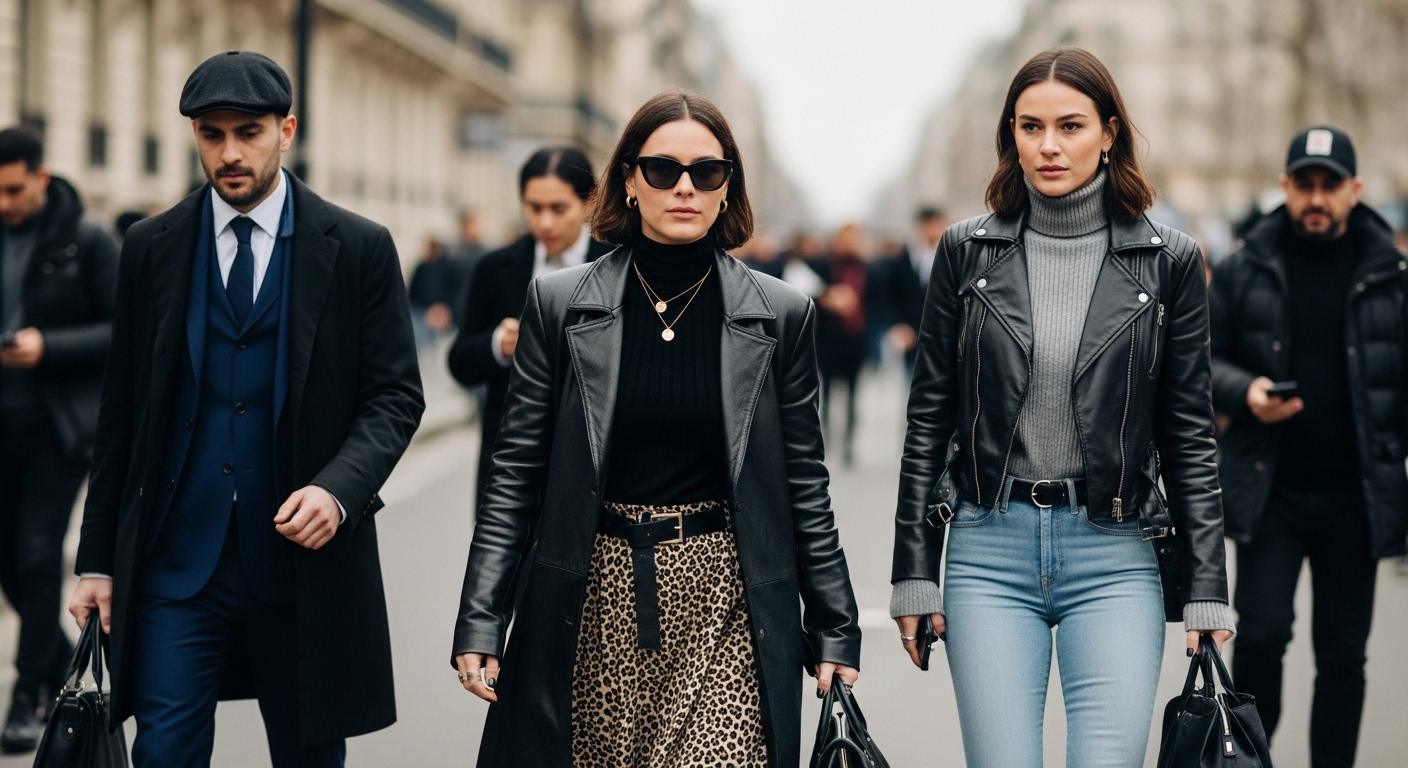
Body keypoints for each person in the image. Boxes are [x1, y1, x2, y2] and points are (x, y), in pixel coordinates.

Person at [451, 91, 861, 768]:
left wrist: (835, 624)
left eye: (707, 171)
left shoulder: (780, 314)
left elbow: (804, 483)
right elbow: (515, 472)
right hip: (592, 595)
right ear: (629, 182)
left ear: (728, 187)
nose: (685, 187)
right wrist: (481, 617)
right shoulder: (559, 304)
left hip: (727, 599)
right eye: (663, 169)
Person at [66, 51, 424, 766]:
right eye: (212, 134)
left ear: (286, 130)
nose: (230, 153)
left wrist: (338, 489)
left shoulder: (358, 247)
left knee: (308, 758)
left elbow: (395, 395)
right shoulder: (150, 247)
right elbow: (121, 416)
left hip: (302, 570)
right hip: (176, 566)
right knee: (162, 754)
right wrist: (97, 561)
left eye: (248, 132)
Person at [889, 47, 1234, 767]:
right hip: (988, 548)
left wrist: (1207, 585)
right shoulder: (965, 252)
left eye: (1070, 126)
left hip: (1116, 551)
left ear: (1109, 133)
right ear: (1010, 136)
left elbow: (1190, 436)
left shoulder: (1168, 260)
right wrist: (913, 571)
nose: (1049, 145)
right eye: (1031, 126)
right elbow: (929, 422)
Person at [1210, 126, 1408, 767]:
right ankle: (1253, 759)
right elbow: (1200, 361)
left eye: (1330, 184)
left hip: (1357, 497)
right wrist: (1247, 392)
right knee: (1261, 638)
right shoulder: (1243, 268)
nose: (1316, 197)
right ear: (1285, 187)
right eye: (1304, 183)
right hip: (1270, 493)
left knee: (1343, 655)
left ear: (1355, 189)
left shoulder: (1392, 275)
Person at [0, 127, 118, 754]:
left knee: (38, 556)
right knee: (9, 564)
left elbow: (125, 329)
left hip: (58, 429)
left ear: (41, 178)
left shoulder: (87, 239)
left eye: (14, 190)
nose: (4, 204)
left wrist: (49, 346)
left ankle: (27, 698)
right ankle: (56, 665)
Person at [446, 147, 610, 513]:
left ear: (589, 202)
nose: (545, 223)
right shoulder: (495, 268)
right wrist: (499, 344)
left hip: (594, 472)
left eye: (558, 208)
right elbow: (459, 361)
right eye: (534, 208)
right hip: (511, 468)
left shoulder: (616, 264)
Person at [815, 223, 869, 467]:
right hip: (829, 338)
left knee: (853, 395)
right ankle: (825, 439)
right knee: (825, 393)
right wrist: (828, 298)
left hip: (854, 339)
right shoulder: (824, 265)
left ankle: (848, 444)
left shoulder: (867, 267)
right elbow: (809, 294)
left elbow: (875, 302)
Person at [872, 206, 946, 373]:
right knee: (912, 381)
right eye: (928, 224)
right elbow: (891, 296)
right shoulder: (902, 259)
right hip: (911, 337)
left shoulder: (950, 256)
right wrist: (898, 325)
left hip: (942, 338)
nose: (932, 230)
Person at [407, 237, 464, 344]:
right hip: (422, 312)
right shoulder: (421, 267)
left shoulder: (453, 267)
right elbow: (413, 292)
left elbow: (457, 292)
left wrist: (444, 310)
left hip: (446, 314)